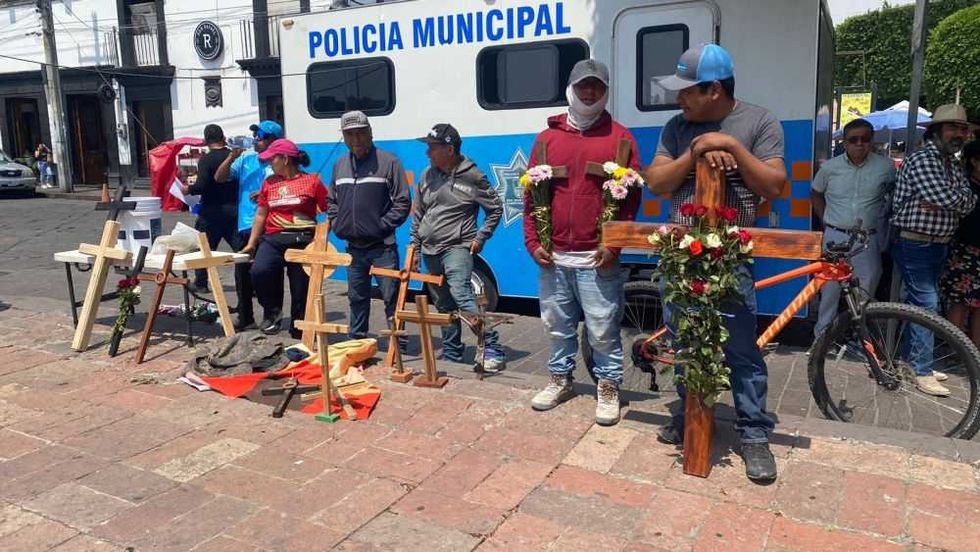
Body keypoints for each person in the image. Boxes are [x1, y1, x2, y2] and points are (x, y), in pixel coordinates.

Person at [644, 44, 786, 482]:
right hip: (681, 259)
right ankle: (690, 414)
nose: (679, 98)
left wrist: (731, 146)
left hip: (731, 260)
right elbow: (656, 182)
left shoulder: (760, 122)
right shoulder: (676, 127)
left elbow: (775, 185)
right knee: (685, 343)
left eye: (687, 91)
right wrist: (698, 153)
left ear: (714, 90)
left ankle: (753, 433)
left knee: (741, 349)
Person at [525, 59, 641, 426]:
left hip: (597, 258)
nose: (589, 92)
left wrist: (614, 246)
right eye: (583, 85)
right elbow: (530, 198)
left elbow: (630, 203)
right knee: (556, 326)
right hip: (554, 256)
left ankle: (608, 386)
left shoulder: (621, 138)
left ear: (606, 91)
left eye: (597, 86)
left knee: (602, 329)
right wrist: (533, 242)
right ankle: (560, 379)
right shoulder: (547, 139)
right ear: (570, 89)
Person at [890, 104, 976, 397]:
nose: (958, 134)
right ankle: (922, 370)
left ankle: (911, 361)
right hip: (915, 241)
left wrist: (949, 202)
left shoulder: (951, 162)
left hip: (937, 242)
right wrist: (951, 201)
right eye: (952, 128)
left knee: (918, 305)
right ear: (937, 131)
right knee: (927, 304)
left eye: (962, 129)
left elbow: (967, 200)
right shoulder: (924, 158)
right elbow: (948, 198)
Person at [411, 123, 506, 371]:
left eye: (432, 148)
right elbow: (419, 214)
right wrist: (415, 248)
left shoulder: (473, 176)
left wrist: (481, 237)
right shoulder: (427, 175)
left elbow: (495, 209)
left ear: (449, 149)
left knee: (462, 295)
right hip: (429, 250)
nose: (427, 153)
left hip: (457, 247)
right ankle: (452, 353)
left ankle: (492, 347)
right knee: (443, 304)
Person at [327, 111, 411, 345]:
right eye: (350, 134)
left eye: (360, 133)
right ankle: (357, 343)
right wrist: (338, 223)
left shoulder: (389, 162)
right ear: (344, 137)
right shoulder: (339, 164)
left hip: (382, 248)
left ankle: (398, 347)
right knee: (356, 298)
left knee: (392, 298)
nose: (356, 139)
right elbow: (331, 200)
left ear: (370, 133)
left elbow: (403, 201)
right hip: (353, 248)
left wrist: (381, 226)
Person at [811, 118, 896, 337]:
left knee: (865, 291)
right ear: (844, 142)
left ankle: (861, 342)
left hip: (866, 240)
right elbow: (816, 193)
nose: (859, 144)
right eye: (853, 139)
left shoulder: (886, 167)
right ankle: (822, 340)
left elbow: (895, 196)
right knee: (829, 291)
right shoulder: (829, 168)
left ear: (872, 140)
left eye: (865, 139)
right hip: (835, 236)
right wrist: (825, 219)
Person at [240, 139, 327, 339]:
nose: (270, 163)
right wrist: (252, 243)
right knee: (260, 271)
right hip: (273, 238)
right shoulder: (269, 182)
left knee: (301, 287)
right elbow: (261, 214)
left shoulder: (312, 181)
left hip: (303, 240)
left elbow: (329, 208)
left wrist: (322, 238)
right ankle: (272, 313)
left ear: (285, 159)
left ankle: (300, 327)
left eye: (272, 159)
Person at [215, 120, 284, 330]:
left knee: (267, 272)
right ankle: (246, 316)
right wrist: (230, 157)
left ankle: (272, 316)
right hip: (245, 224)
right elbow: (220, 178)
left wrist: (265, 193)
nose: (256, 140)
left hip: (269, 225)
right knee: (242, 273)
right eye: (255, 136)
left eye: (260, 137)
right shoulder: (247, 158)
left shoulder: (279, 161)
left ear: (273, 140)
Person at [184, 124, 240, 294]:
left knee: (204, 248)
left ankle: (201, 283)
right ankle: (248, 284)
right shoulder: (235, 156)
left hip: (211, 211)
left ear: (206, 140)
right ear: (223, 137)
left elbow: (201, 185)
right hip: (234, 209)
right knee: (240, 249)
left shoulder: (206, 160)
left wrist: (188, 189)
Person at [940, 140, 980, 349]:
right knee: (961, 303)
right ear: (975, 161)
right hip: (966, 251)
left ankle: (975, 352)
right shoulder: (965, 187)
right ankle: (954, 350)